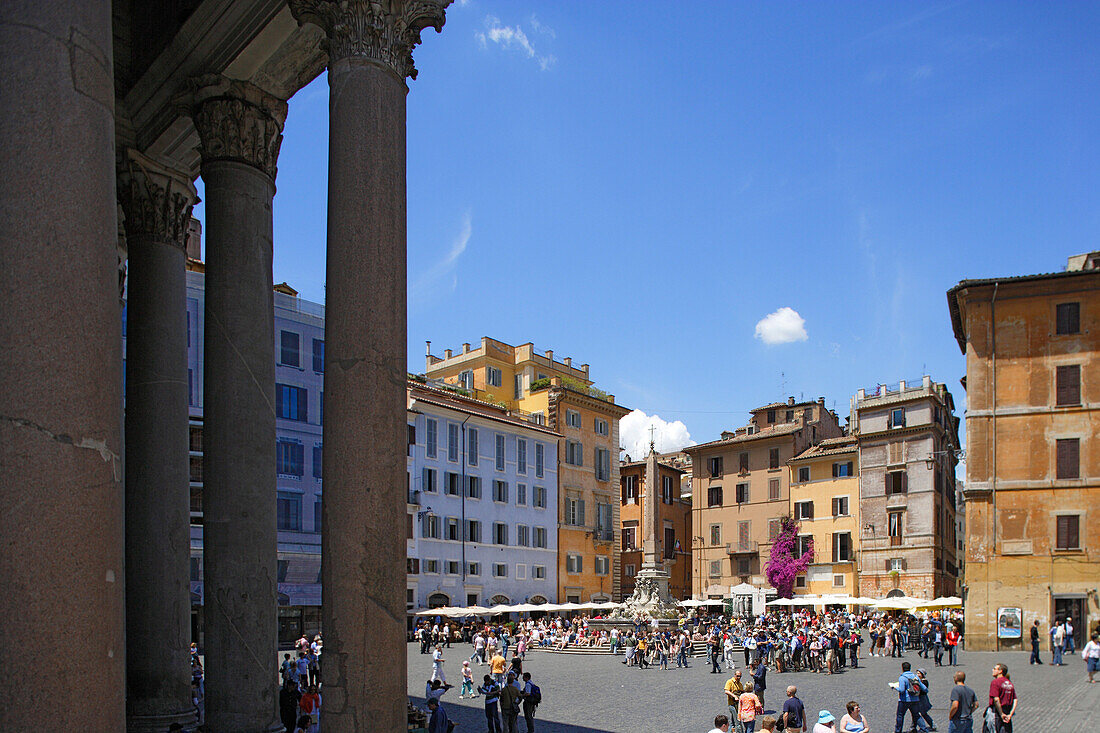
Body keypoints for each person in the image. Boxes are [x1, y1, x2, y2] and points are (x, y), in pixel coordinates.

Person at [893, 661, 929, 733]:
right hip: (915, 699)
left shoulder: (902, 677)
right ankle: (923, 729)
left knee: (900, 715)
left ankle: (898, 730)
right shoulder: (915, 677)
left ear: (902, 668)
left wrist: (894, 687)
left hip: (904, 700)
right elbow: (925, 689)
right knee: (916, 715)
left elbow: (902, 690)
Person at [988, 663, 1017, 733]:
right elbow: (1015, 699)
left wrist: (1001, 714)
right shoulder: (1009, 683)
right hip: (1007, 712)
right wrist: (1010, 713)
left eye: (995, 669)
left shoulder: (995, 682)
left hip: (997, 712)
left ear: (1000, 671)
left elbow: (996, 699)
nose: (993, 670)